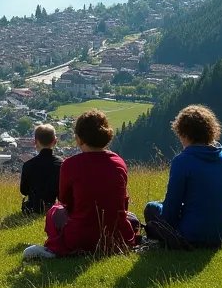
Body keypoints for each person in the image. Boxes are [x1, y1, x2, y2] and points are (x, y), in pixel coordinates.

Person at [24, 109, 138, 260]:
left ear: (79, 138)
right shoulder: (118, 162)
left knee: (53, 212)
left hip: (80, 238)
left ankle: (55, 248)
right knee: (132, 218)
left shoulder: (71, 164)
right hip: (116, 237)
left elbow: (65, 201)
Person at [144, 105, 222, 249]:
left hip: (191, 236)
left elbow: (171, 209)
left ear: (184, 133)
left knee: (152, 208)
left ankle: (160, 243)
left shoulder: (182, 161)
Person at [20, 123, 63, 214]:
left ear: (35, 142)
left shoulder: (28, 165)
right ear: (55, 141)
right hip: (53, 208)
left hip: (32, 208)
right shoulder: (61, 164)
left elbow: (23, 190)